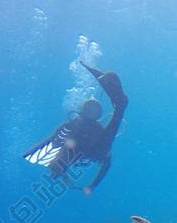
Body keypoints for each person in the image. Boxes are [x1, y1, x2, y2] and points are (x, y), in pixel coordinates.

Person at [24, 63, 128, 196]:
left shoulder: (88, 127)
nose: (91, 114)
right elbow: (55, 142)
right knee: (59, 163)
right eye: (89, 110)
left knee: (104, 141)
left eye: (95, 111)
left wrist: (92, 185)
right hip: (80, 152)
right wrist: (88, 184)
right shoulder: (73, 125)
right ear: (82, 111)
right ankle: (120, 107)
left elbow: (107, 163)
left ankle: (120, 107)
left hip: (88, 152)